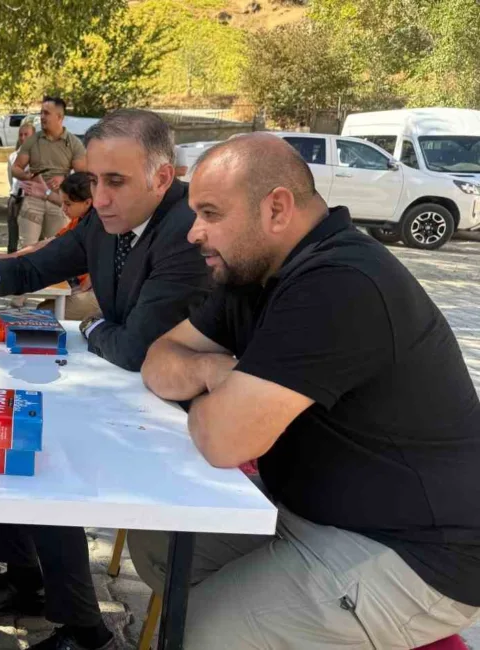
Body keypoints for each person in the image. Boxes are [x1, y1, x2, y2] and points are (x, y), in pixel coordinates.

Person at [134, 133, 480, 648]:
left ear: (276, 208)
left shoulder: (340, 283)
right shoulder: (253, 274)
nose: (193, 233)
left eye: (209, 213)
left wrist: (222, 404)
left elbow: (224, 441)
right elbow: (157, 360)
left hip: (418, 554)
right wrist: (212, 373)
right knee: (157, 540)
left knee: (197, 629)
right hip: (310, 515)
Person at [0, 110, 210, 650]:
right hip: (122, 389)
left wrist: (89, 323)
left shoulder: (185, 230)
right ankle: (25, 580)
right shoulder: (105, 218)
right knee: (10, 429)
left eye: (116, 182)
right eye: (93, 181)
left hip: (184, 420)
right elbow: (44, 263)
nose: (101, 197)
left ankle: (87, 632)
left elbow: (136, 349)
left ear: (163, 178)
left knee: (43, 459)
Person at [0, 173, 99, 321]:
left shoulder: (100, 226)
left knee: (45, 315)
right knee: (43, 310)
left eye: (68, 204)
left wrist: (84, 287)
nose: (63, 209)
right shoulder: (78, 221)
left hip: (97, 296)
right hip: (80, 287)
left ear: (87, 202)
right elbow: (48, 243)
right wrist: (13, 257)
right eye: (63, 203)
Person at [11, 97, 87, 251]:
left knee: (58, 249)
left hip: (59, 200)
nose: (42, 117)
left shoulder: (73, 143)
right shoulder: (32, 140)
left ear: (60, 117)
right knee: (26, 248)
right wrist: (27, 176)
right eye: (41, 113)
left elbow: (84, 175)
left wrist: (64, 179)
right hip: (33, 199)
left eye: (46, 113)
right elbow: (16, 168)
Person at [5, 122, 36, 254]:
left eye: (26, 134)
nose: (23, 138)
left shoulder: (38, 156)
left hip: (30, 198)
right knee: (13, 233)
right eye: (21, 135)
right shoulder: (13, 156)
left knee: (29, 236)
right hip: (15, 197)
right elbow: (10, 178)